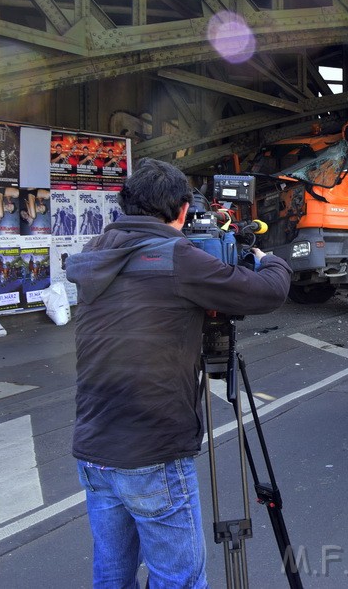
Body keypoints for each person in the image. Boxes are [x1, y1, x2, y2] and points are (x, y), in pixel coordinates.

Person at [66, 158, 292, 588]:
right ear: (183, 211)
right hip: (152, 448)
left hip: (95, 446)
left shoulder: (98, 251)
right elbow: (266, 292)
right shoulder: (177, 258)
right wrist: (268, 260)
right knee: (180, 580)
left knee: (112, 576)